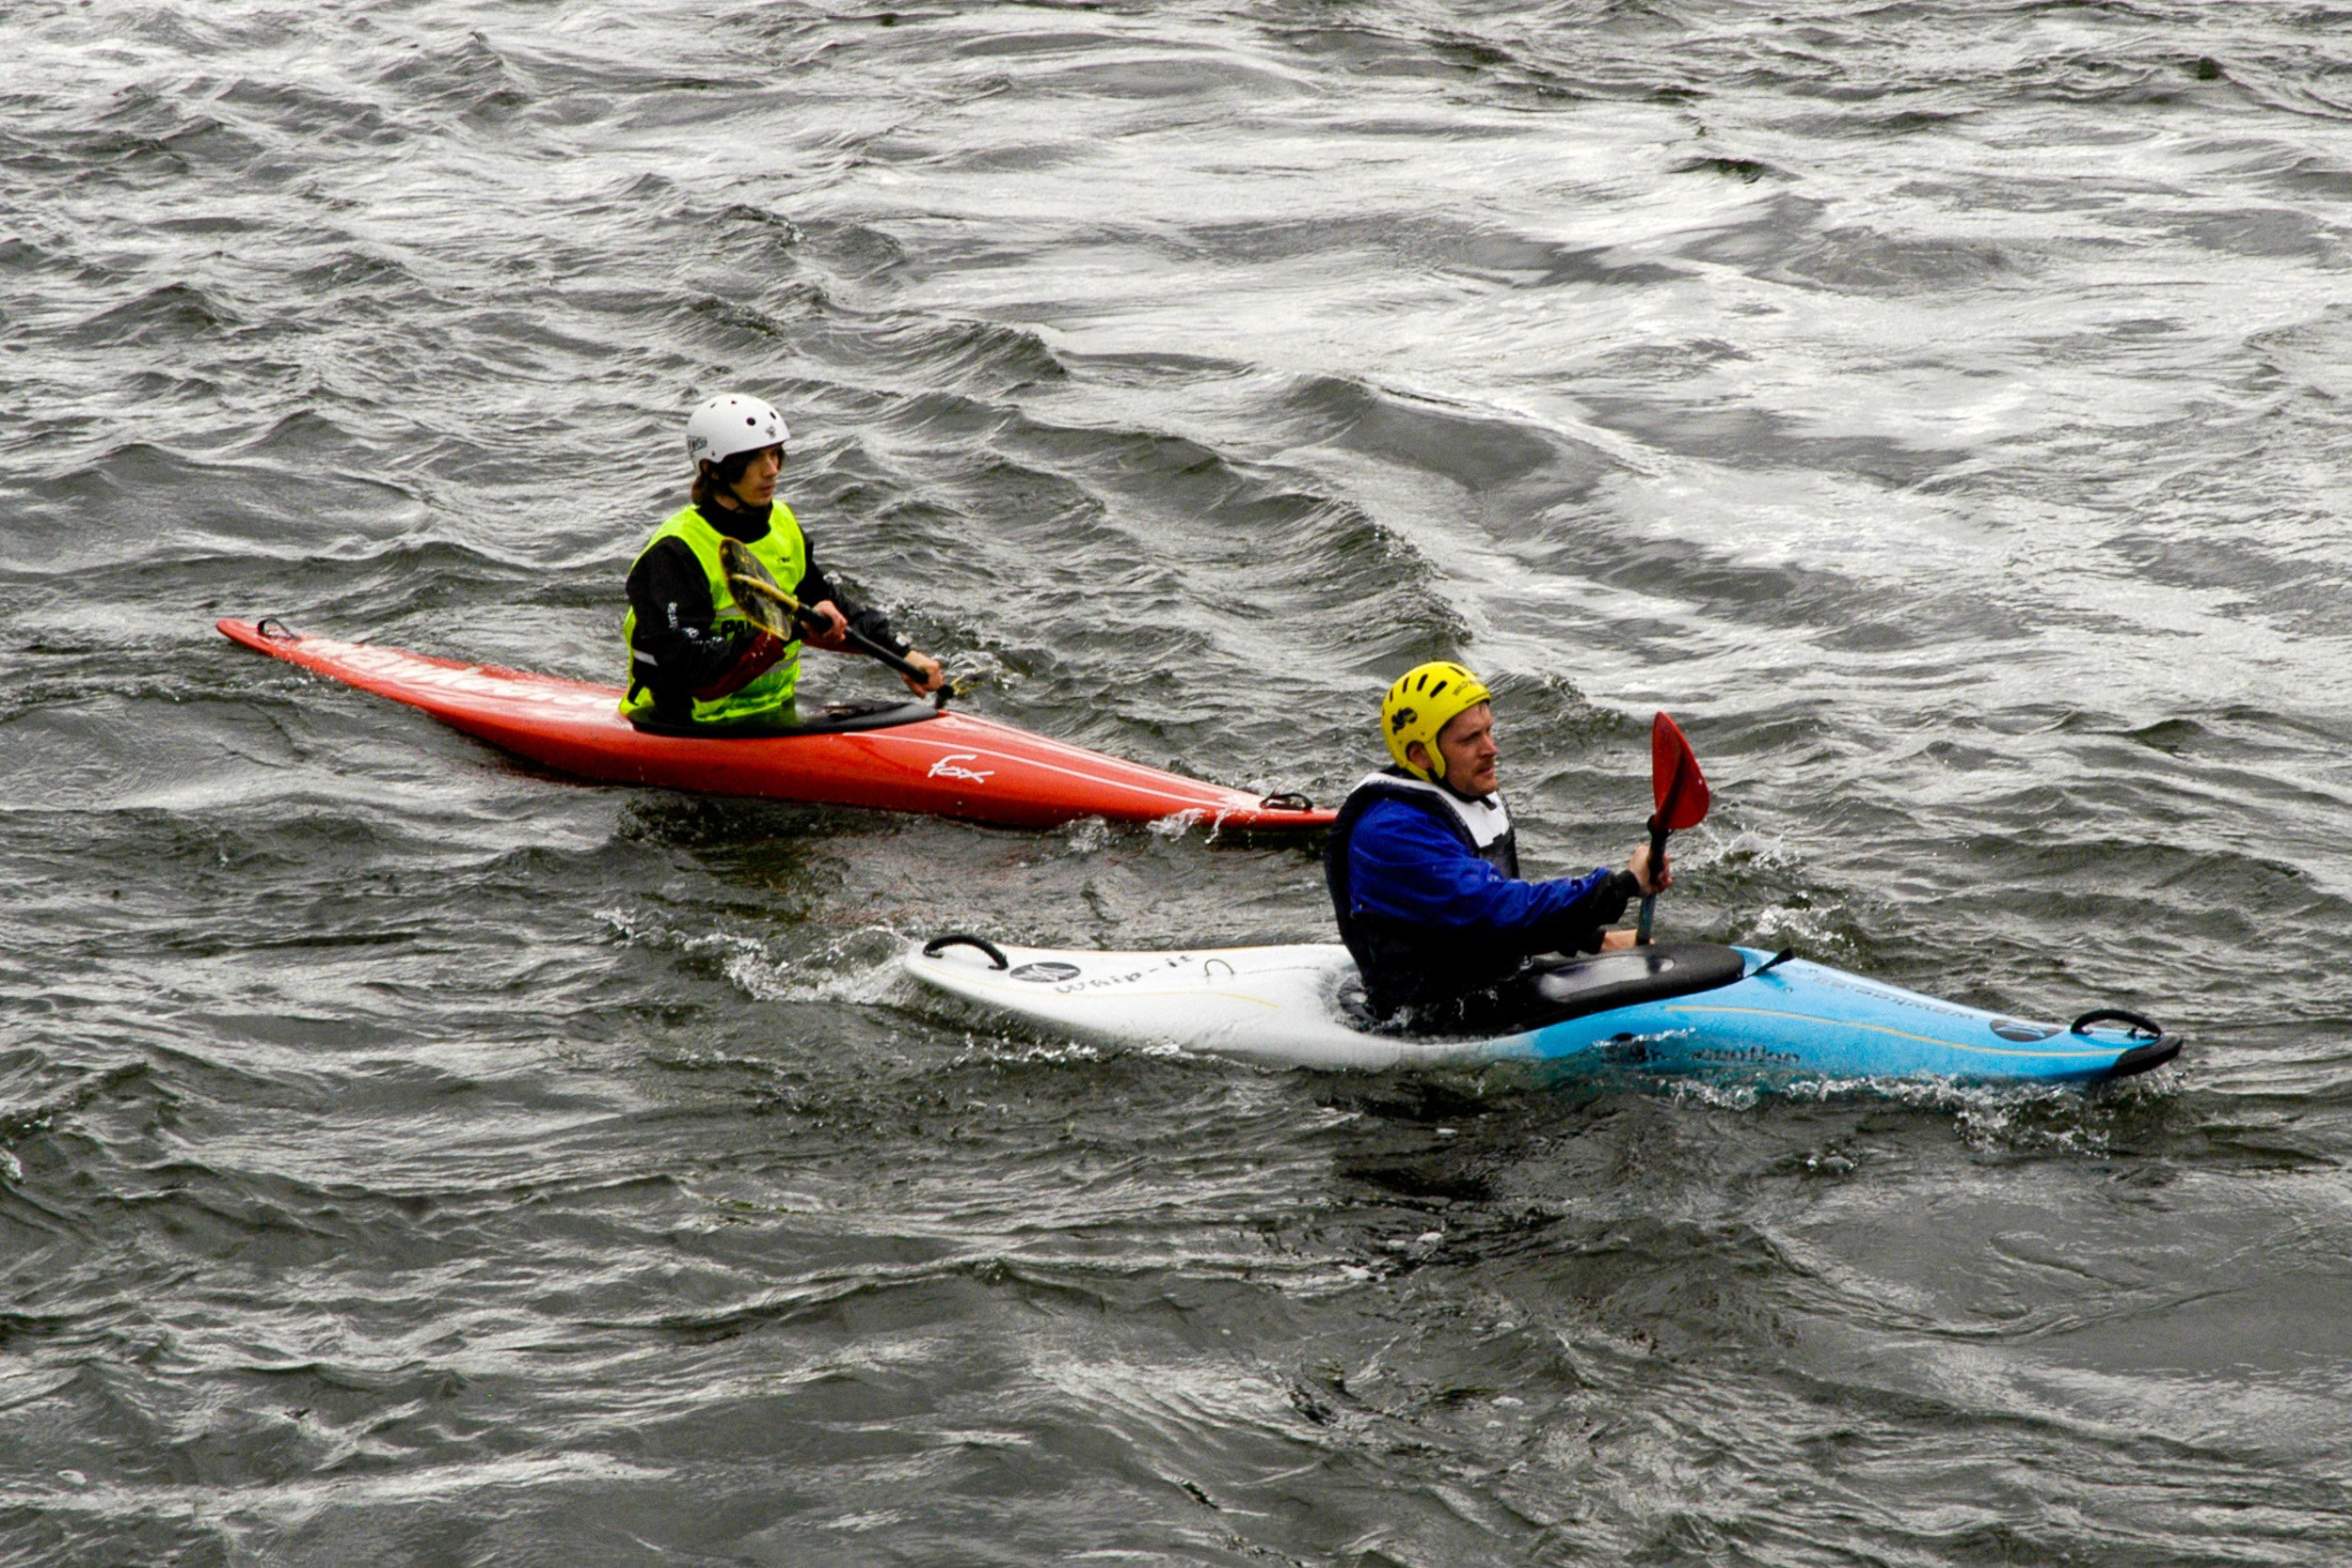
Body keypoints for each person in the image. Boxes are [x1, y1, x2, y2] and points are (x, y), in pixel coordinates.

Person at [1324, 660, 1666, 1029]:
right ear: (1420, 755)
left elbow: (1502, 902)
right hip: (1426, 1017)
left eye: (1488, 731)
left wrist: (1596, 941)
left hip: (1490, 983)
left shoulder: (1465, 791)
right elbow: (1494, 910)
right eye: (1470, 739)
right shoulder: (1391, 835)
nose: (1492, 749)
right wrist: (1622, 887)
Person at [621, 393, 946, 733]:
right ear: (712, 470)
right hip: (681, 723)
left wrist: (901, 655)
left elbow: (828, 606)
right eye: (752, 459)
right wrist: (789, 629)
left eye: (775, 454)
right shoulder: (674, 553)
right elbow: (692, 671)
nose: (771, 470)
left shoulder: (783, 524)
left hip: (771, 715)